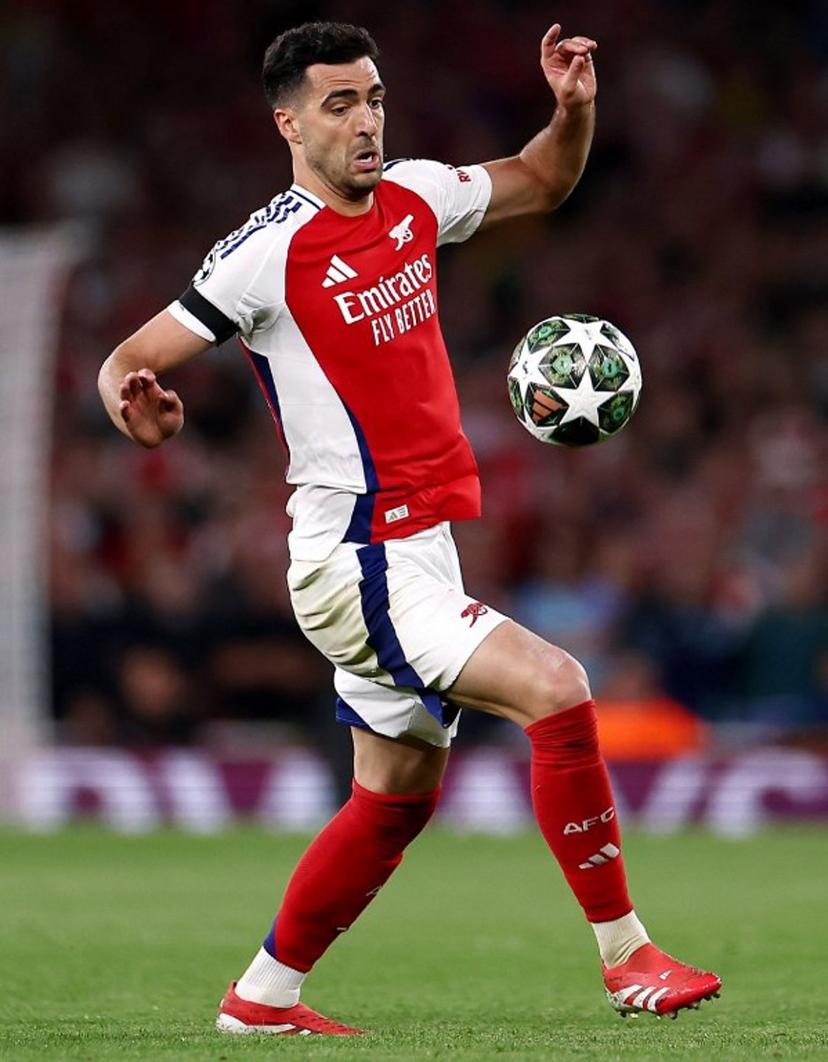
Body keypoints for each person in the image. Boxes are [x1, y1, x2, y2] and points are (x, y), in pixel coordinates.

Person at [98, 20, 722, 1035]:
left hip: (419, 548)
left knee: (395, 797)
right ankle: (627, 957)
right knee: (557, 686)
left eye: (375, 99)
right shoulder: (264, 252)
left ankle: (262, 999)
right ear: (289, 124)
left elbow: (541, 180)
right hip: (356, 562)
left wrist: (573, 110)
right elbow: (127, 359)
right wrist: (140, 406)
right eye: (340, 104)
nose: (366, 121)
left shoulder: (417, 197)